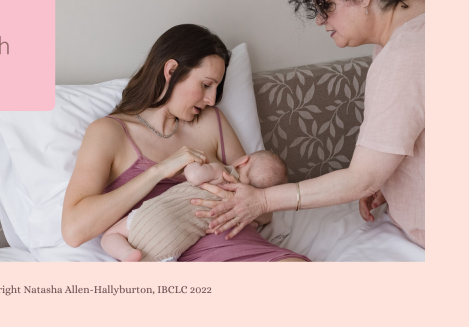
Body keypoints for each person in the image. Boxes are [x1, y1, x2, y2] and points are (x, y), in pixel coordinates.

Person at [193, 0, 425, 248]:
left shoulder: (404, 56)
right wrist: (388, 181)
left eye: (326, 5)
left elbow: (361, 179)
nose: (319, 20)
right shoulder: (405, 37)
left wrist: (262, 200)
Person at [61, 24, 310, 262]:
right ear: (171, 71)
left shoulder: (211, 121)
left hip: (236, 243)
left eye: (216, 88)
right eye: (205, 85)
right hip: (166, 254)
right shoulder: (109, 132)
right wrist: (158, 172)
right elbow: (74, 231)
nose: (212, 99)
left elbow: (262, 209)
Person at [100, 151, 289, 262]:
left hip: (154, 213)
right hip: (172, 244)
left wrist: (193, 164)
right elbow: (261, 219)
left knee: (109, 235)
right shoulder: (244, 210)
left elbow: (195, 176)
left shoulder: (222, 172)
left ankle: (127, 254)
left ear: (243, 161)